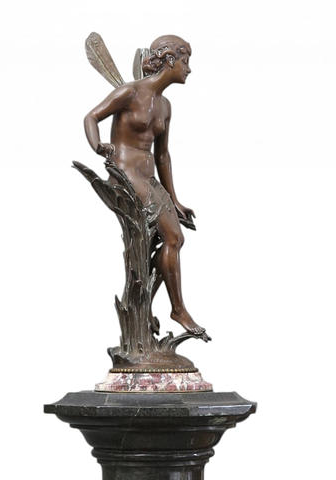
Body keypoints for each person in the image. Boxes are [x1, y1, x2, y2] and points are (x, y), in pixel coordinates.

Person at [83, 35, 206, 338]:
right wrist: (99, 146)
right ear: (169, 60)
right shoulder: (130, 92)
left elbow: (163, 155)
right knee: (171, 236)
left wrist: (174, 199)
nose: (189, 69)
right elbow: (92, 117)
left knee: (173, 240)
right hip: (125, 173)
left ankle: (146, 305)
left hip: (149, 178)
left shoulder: (165, 106)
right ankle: (178, 309)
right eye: (185, 61)